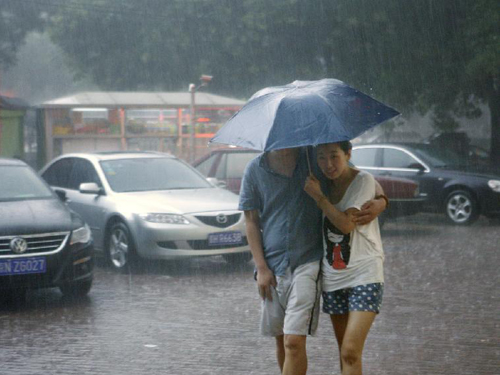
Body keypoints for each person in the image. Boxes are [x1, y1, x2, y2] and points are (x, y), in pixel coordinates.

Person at [239, 146, 387, 375]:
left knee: (298, 342)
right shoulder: (254, 169)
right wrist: (261, 268)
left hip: (309, 261)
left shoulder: (312, 159)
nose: (328, 162)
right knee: (283, 341)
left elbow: (355, 175)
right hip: (274, 263)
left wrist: (382, 200)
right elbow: (250, 220)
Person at [304, 141, 385, 375]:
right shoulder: (320, 183)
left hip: (365, 273)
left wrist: (320, 199)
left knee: (350, 350)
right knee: (344, 352)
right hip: (334, 277)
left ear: (348, 153)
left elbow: (346, 225)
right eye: (321, 157)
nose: (328, 164)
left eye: (334, 156)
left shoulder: (363, 180)